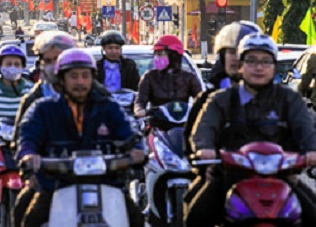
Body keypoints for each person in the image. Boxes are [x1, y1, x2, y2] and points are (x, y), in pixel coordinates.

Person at [186, 33, 316, 227]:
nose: (259, 67)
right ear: (240, 65)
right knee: (195, 216)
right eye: (251, 60)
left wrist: (312, 151)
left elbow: (306, 128)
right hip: (228, 175)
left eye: (265, 61)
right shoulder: (220, 99)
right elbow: (204, 129)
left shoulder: (290, 99)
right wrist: (205, 149)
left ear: (274, 67)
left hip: (282, 175)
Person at [17, 49, 145, 226]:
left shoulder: (109, 107)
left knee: (137, 218)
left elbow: (130, 133)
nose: (80, 82)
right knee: (26, 213)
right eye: (73, 76)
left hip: (108, 181)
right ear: (61, 79)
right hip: (55, 184)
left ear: (93, 78)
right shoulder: (43, 109)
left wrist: (137, 150)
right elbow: (27, 137)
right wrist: (29, 155)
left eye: (85, 75)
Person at [11, 31, 78, 226]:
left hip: (94, 173)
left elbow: (122, 129)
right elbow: (21, 138)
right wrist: (30, 170)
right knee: (24, 210)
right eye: (48, 60)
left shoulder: (96, 93)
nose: (53, 66)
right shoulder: (34, 99)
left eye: (58, 59)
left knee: (132, 211)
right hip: (50, 175)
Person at [183, 21, 261, 160]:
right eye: (231, 52)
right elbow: (194, 137)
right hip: (223, 172)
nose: (237, 58)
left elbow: (302, 129)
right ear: (223, 57)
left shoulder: (281, 97)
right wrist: (203, 151)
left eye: (243, 52)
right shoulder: (208, 99)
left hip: (271, 171)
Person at [134, 35, 201, 118]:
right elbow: (140, 100)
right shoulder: (149, 77)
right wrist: (139, 110)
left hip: (183, 123)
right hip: (157, 123)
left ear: (174, 56)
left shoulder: (189, 78)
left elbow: (201, 99)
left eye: (161, 54)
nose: (157, 57)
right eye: (156, 54)